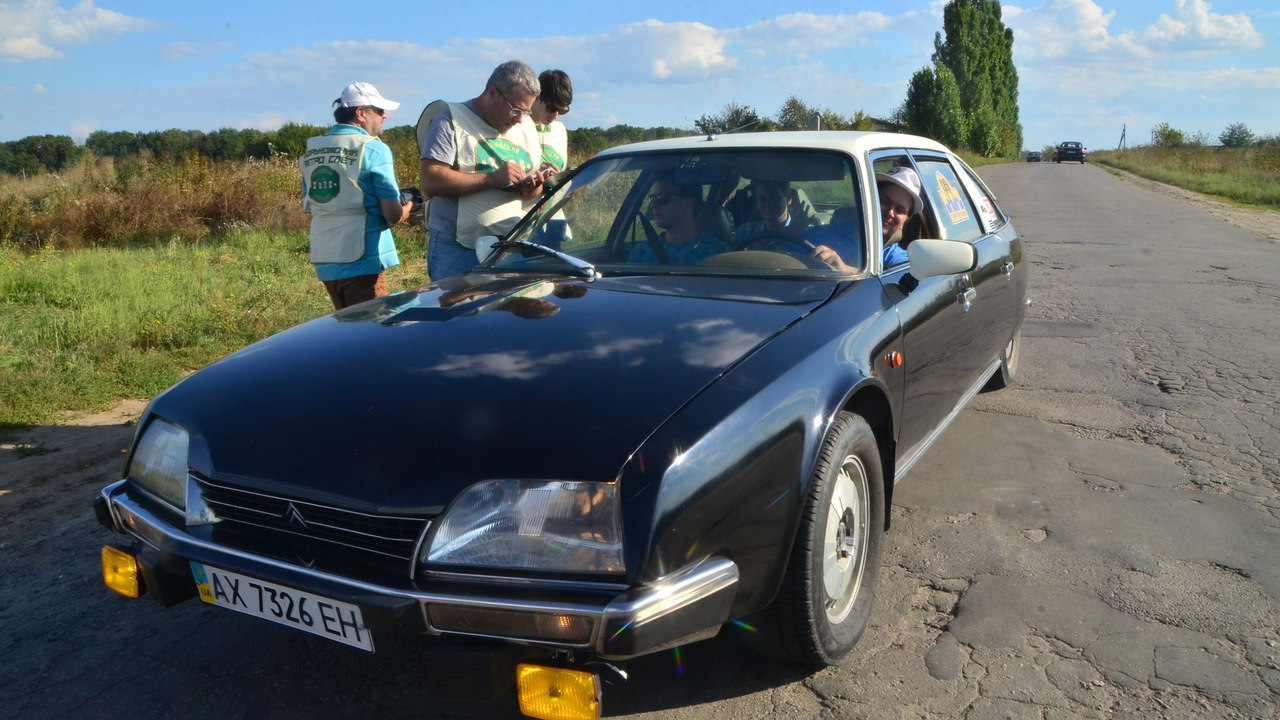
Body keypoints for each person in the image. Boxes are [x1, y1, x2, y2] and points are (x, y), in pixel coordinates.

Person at [418, 60, 545, 281]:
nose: (520, 119)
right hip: (458, 249)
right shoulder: (450, 120)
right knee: (457, 314)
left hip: (510, 247)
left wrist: (532, 187)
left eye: (526, 111)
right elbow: (431, 180)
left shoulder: (526, 127)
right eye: (516, 109)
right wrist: (490, 179)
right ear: (492, 92)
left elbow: (533, 194)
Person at [300, 82, 411, 310]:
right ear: (361, 114)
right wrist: (409, 208)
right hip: (362, 259)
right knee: (372, 334)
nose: (385, 116)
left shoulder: (313, 148)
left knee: (346, 332)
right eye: (379, 111)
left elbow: (312, 202)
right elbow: (392, 214)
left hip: (325, 257)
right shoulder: (373, 148)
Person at [811, 165, 923, 272]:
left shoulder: (895, 259)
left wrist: (844, 269)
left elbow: (899, 282)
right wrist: (796, 227)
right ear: (869, 200)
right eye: (884, 201)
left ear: (904, 222)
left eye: (899, 210)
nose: (890, 212)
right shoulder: (822, 233)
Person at [627, 174, 731, 264]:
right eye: (652, 198)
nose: (653, 205)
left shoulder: (718, 254)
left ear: (689, 203)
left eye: (662, 197)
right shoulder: (640, 254)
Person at [531, 69, 573, 249]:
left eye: (562, 110)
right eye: (551, 108)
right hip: (525, 220)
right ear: (537, 98)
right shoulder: (519, 126)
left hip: (553, 218)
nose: (555, 115)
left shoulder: (559, 130)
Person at [732, 180, 808, 249]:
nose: (769, 204)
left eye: (775, 198)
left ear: (789, 199)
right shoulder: (745, 232)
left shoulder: (804, 233)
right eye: (762, 199)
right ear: (757, 203)